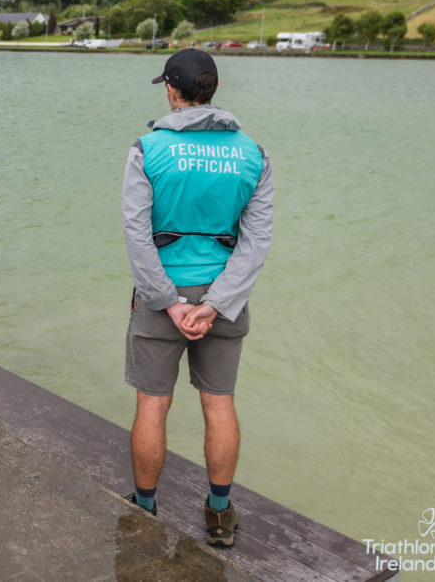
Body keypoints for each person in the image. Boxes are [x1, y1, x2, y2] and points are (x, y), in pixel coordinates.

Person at [121, 49, 273, 548]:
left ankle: (145, 509)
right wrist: (216, 303)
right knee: (219, 402)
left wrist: (169, 303)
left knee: (152, 403)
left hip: (161, 296)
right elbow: (256, 241)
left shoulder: (148, 148)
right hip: (224, 298)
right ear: (212, 90)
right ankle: (220, 513)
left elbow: (137, 235)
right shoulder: (254, 153)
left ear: (172, 90)